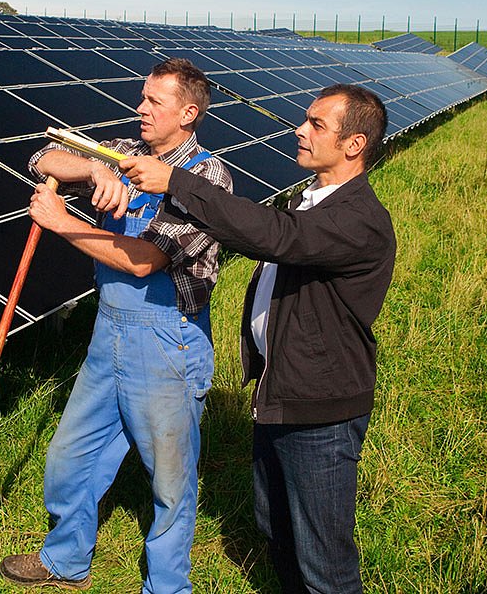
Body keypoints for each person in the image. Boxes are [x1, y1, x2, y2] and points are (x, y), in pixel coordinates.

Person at [119, 83, 397, 593]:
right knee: (278, 531)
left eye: (317, 124)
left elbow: (277, 236)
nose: (300, 130)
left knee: (324, 560)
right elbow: (267, 233)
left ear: (354, 144)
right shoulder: (313, 199)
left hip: (321, 410)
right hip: (281, 395)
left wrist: (178, 183)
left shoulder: (359, 220)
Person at [0, 57, 233, 593]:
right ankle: (66, 559)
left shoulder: (206, 177)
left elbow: (146, 260)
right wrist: (95, 170)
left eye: (155, 101)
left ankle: (167, 586)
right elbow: (43, 156)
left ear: (189, 113)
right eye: (142, 97)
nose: (140, 108)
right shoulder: (126, 155)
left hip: (168, 337)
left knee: (170, 478)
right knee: (70, 454)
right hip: (110, 333)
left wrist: (63, 223)